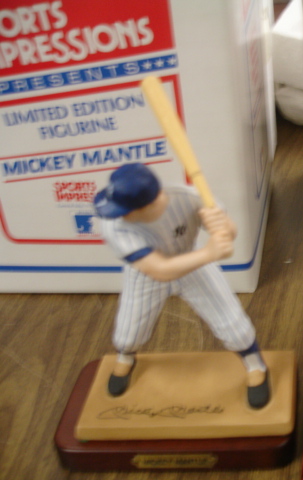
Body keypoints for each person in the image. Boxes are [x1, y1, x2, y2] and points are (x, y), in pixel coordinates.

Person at [93, 163, 270, 408]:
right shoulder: (114, 226)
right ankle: (125, 357)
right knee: (129, 331)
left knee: (232, 323)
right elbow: (159, 270)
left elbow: (229, 233)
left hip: (193, 263)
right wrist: (209, 253)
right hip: (148, 274)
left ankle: (254, 365)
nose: (119, 214)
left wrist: (224, 226)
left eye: (125, 210)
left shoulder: (189, 197)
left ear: (150, 204)